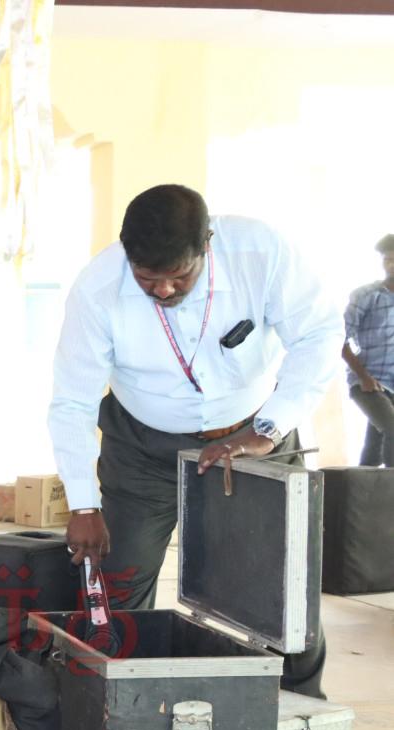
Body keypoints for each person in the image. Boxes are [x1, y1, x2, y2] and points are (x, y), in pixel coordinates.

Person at [50, 184, 338, 696]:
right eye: (147, 279)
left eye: (179, 276)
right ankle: (118, 711)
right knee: (119, 581)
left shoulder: (259, 252)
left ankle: (302, 710)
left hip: (253, 435)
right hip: (142, 448)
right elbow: (73, 402)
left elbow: (318, 334)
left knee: (283, 583)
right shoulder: (98, 289)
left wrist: (266, 430)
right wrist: (83, 505)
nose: (163, 290)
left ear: (207, 244)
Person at [341, 234, 394, 467]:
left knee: (374, 448)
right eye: (387, 260)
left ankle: (359, 489)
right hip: (369, 383)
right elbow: (339, 339)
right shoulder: (366, 296)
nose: (391, 265)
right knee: (392, 429)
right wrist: (363, 377)